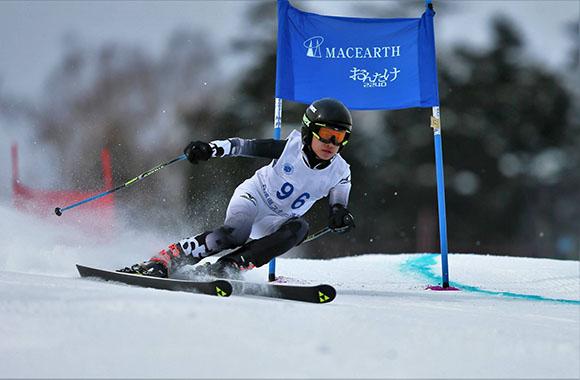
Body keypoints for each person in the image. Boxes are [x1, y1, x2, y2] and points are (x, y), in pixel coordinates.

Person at [119, 98, 355, 279]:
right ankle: (164, 261)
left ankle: (228, 267)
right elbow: (242, 146)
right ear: (309, 131)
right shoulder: (288, 149)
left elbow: (338, 205)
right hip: (254, 197)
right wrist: (211, 149)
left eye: (340, 137)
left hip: (277, 220)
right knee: (236, 233)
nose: (332, 144)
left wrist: (340, 216)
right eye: (326, 135)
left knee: (300, 228)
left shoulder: (341, 172)